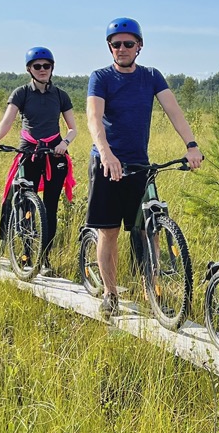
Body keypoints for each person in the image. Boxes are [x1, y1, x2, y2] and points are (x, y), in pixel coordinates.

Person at [85, 18, 202, 319]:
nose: (122, 49)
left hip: (139, 163)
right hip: (108, 164)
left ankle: (154, 291)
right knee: (108, 233)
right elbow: (94, 120)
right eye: (116, 44)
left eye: (128, 43)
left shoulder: (151, 76)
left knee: (150, 230)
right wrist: (107, 155)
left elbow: (173, 110)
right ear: (109, 48)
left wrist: (191, 145)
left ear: (139, 46)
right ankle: (111, 294)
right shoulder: (101, 77)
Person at [0, 47, 77, 276]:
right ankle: (26, 256)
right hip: (28, 151)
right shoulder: (21, 93)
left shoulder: (60, 95)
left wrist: (65, 142)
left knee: (51, 208)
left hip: (54, 152)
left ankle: (45, 259)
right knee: (26, 204)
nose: (42, 70)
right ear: (29, 69)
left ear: (52, 68)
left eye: (46, 66)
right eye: (37, 66)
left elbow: (73, 128)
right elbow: (8, 120)